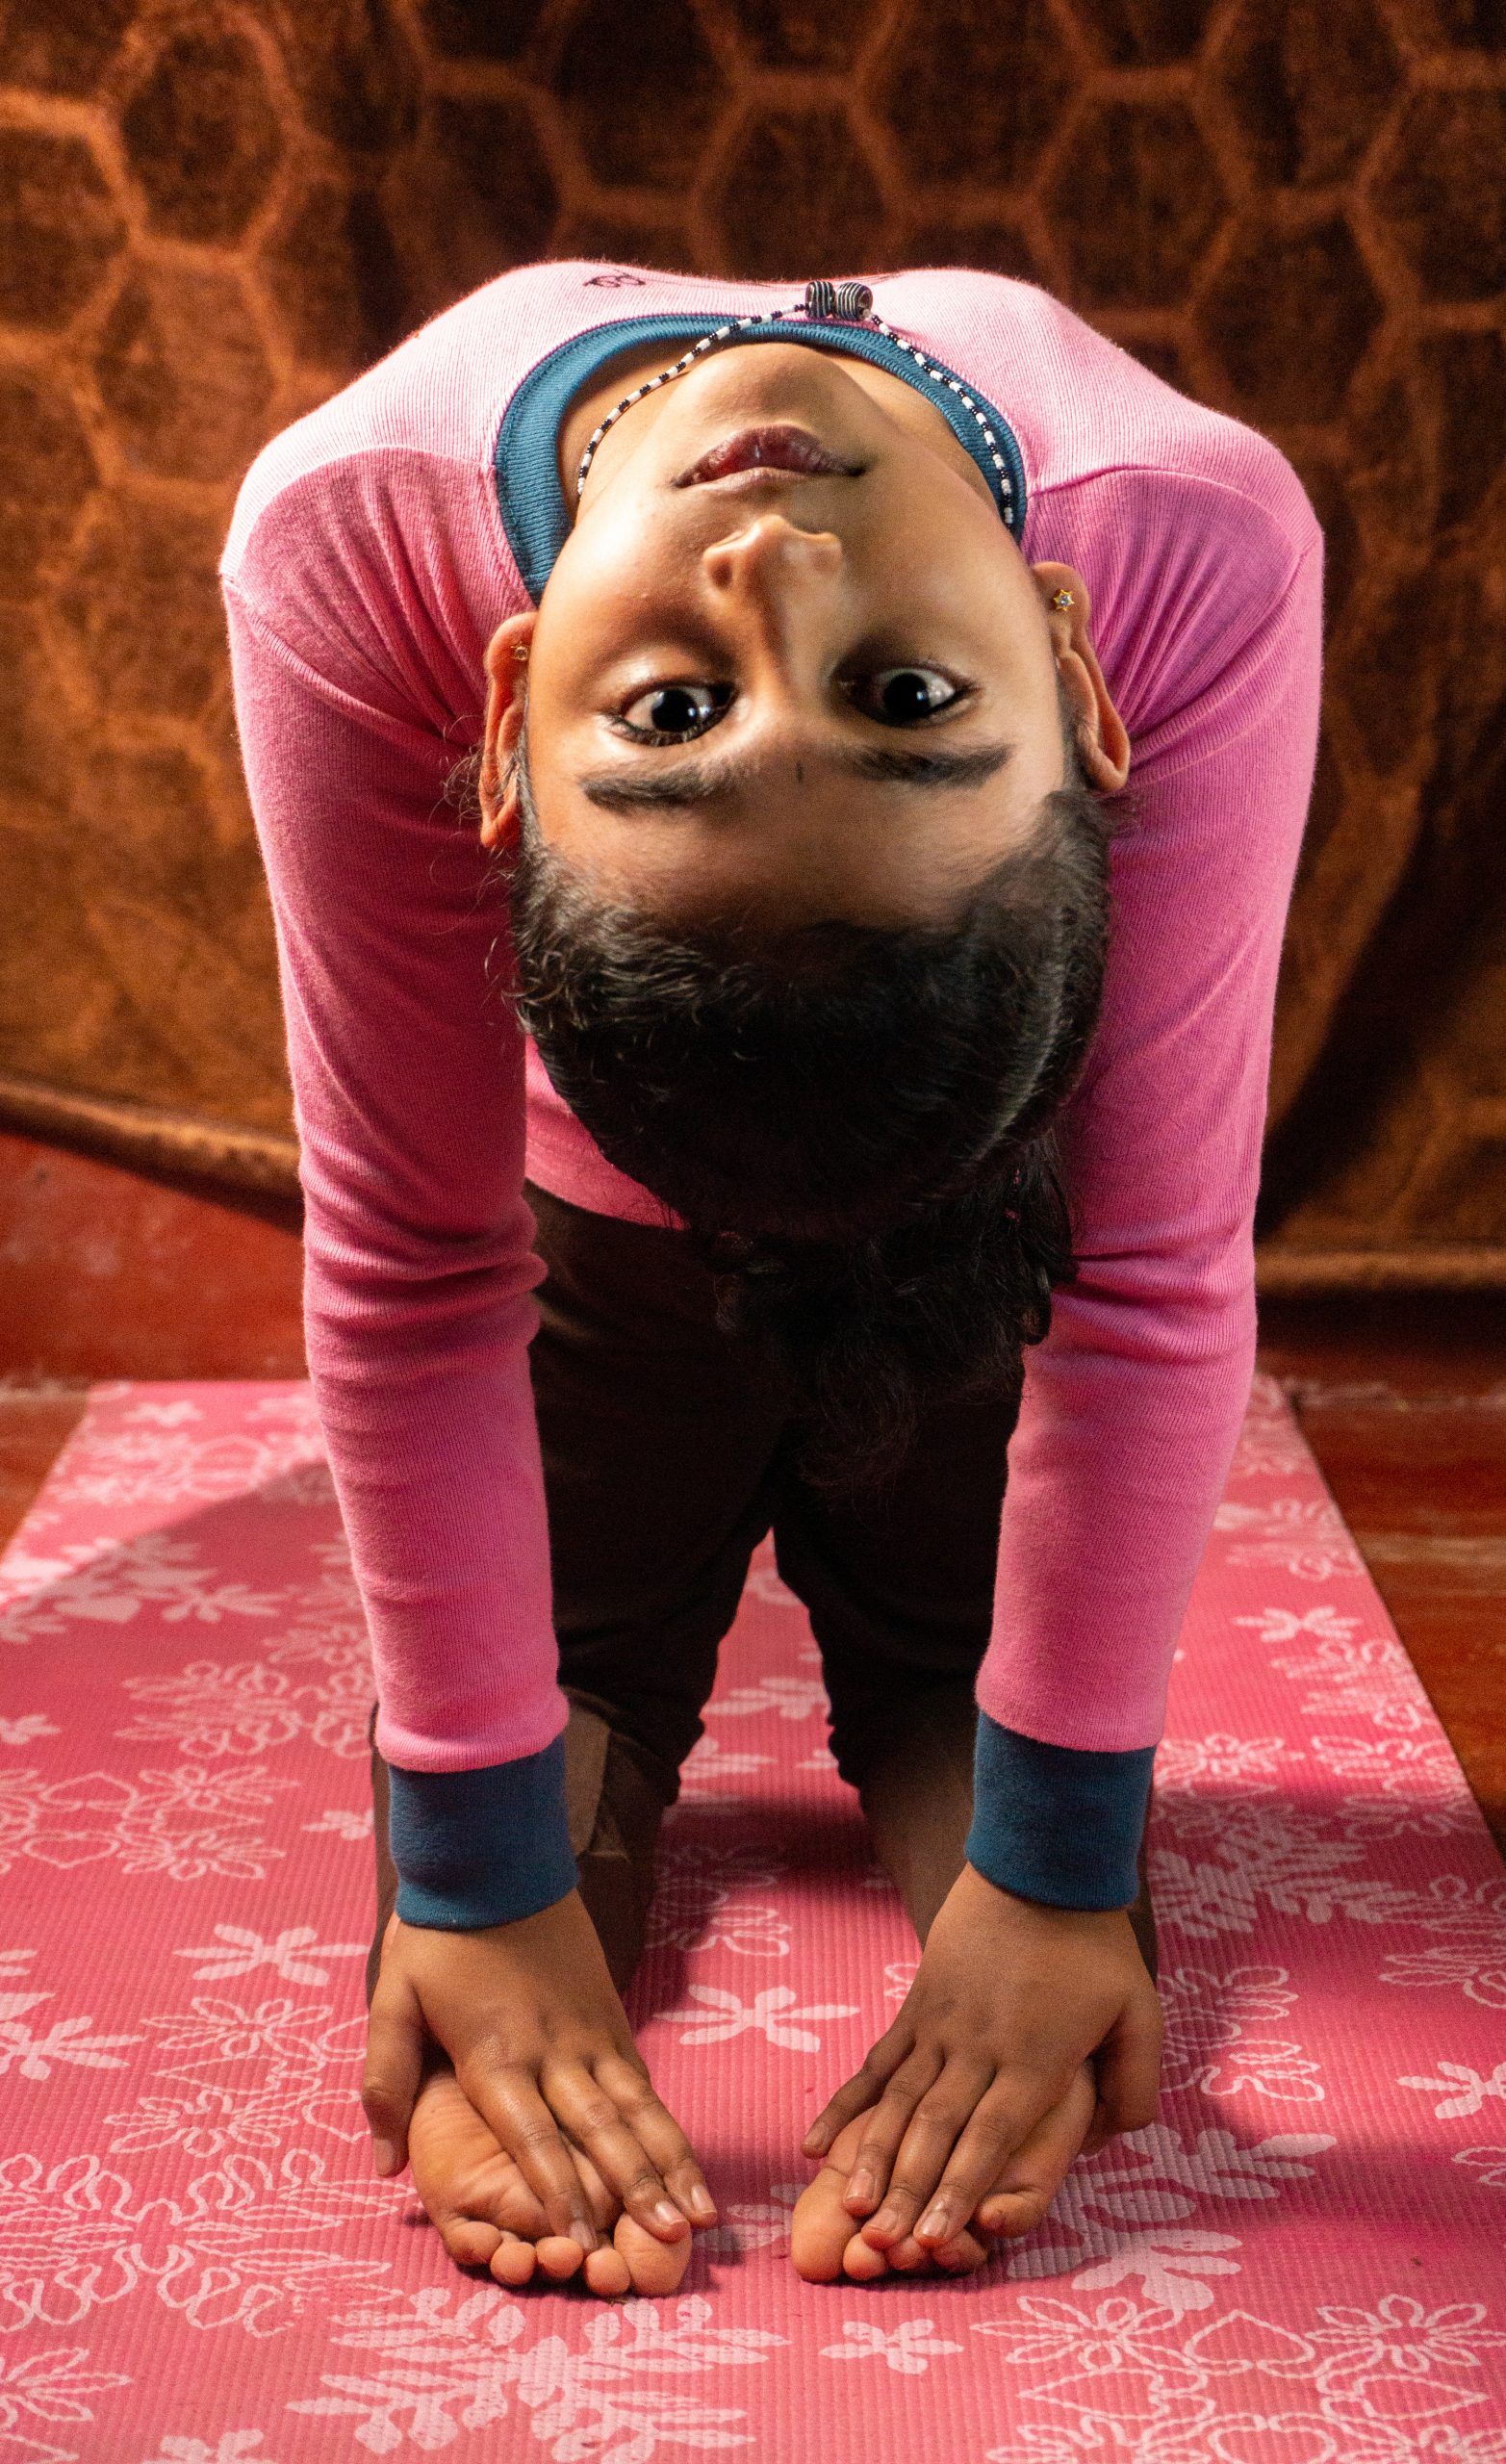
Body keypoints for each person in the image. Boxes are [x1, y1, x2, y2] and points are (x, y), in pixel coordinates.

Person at [221, 259, 1324, 2298]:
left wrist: (1052, 1878)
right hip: (600, 1256)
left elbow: (1159, 1269)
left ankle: (1004, 1984)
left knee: (961, 1694)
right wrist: (476, 1898)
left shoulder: (1194, 540)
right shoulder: (352, 536)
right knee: (555, 1714)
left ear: (1089, 683)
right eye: (664, 712)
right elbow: (409, 1263)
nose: (778, 568)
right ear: (500, 711)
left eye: (914, 698)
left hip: (970, 1242)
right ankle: (527, 1987)